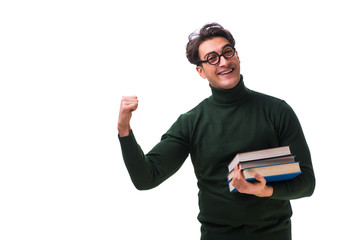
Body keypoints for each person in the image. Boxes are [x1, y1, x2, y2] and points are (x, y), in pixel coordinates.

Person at [117, 23, 315, 240]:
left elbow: (306, 184)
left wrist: (265, 191)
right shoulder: (191, 123)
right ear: (200, 71)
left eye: (227, 52)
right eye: (212, 58)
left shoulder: (277, 111)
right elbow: (146, 178)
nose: (223, 61)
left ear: (237, 56)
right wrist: (124, 130)